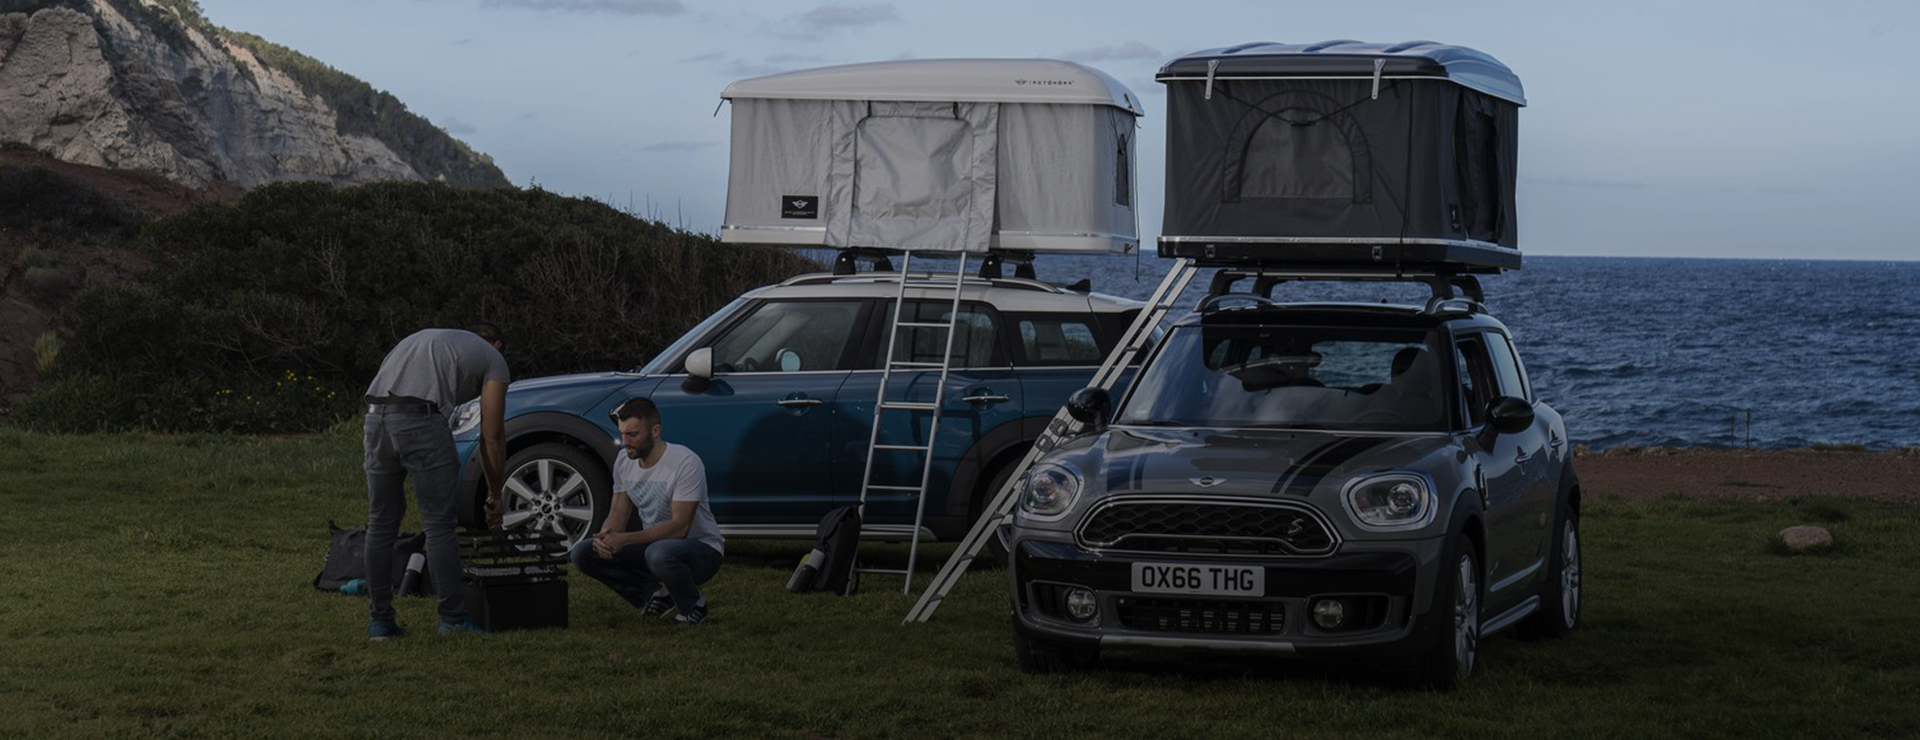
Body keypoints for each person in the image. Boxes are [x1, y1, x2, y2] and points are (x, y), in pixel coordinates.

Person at [361, 324, 509, 640]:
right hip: (420, 419)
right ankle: (453, 621)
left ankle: (380, 623)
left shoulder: (427, 338)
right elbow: (492, 436)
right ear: (496, 344)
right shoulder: (493, 358)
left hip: (375, 418)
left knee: (380, 522)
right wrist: (496, 494)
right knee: (439, 524)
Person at [571, 396, 725, 624]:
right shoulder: (624, 460)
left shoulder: (685, 462)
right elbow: (617, 515)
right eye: (623, 434)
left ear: (655, 431)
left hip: (702, 550)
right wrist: (607, 535)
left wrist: (624, 540)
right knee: (582, 553)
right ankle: (653, 596)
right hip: (655, 548)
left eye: (633, 435)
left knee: (659, 554)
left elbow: (680, 528)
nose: (625, 442)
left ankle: (693, 607)